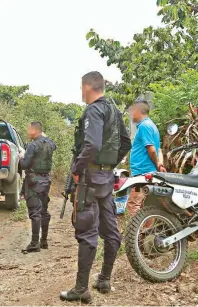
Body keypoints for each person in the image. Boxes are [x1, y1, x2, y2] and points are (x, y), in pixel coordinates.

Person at [60, 71, 131, 303]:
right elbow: (126, 143)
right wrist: (108, 165)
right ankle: (104, 279)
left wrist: (77, 168)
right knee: (111, 232)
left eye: (82, 88)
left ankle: (82, 288)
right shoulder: (113, 109)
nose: (81, 92)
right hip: (106, 179)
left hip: (89, 179)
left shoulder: (94, 109)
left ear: (88, 87)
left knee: (87, 234)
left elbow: (91, 144)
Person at [19, 121, 56, 253]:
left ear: (34, 130)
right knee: (44, 211)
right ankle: (44, 241)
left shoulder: (33, 145)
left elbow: (25, 164)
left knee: (35, 212)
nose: (27, 132)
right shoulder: (50, 144)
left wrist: (20, 158)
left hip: (34, 181)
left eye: (29, 129)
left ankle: (35, 243)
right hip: (46, 180)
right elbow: (53, 144)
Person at [126, 98, 166, 216]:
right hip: (147, 173)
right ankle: (146, 233)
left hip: (142, 175)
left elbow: (152, 150)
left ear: (140, 111)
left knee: (134, 204)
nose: (131, 113)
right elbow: (159, 149)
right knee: (148, 205)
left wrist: (158, 164)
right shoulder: (151, 126)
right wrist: (159, 164)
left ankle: (136, 233)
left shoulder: (145, 126)